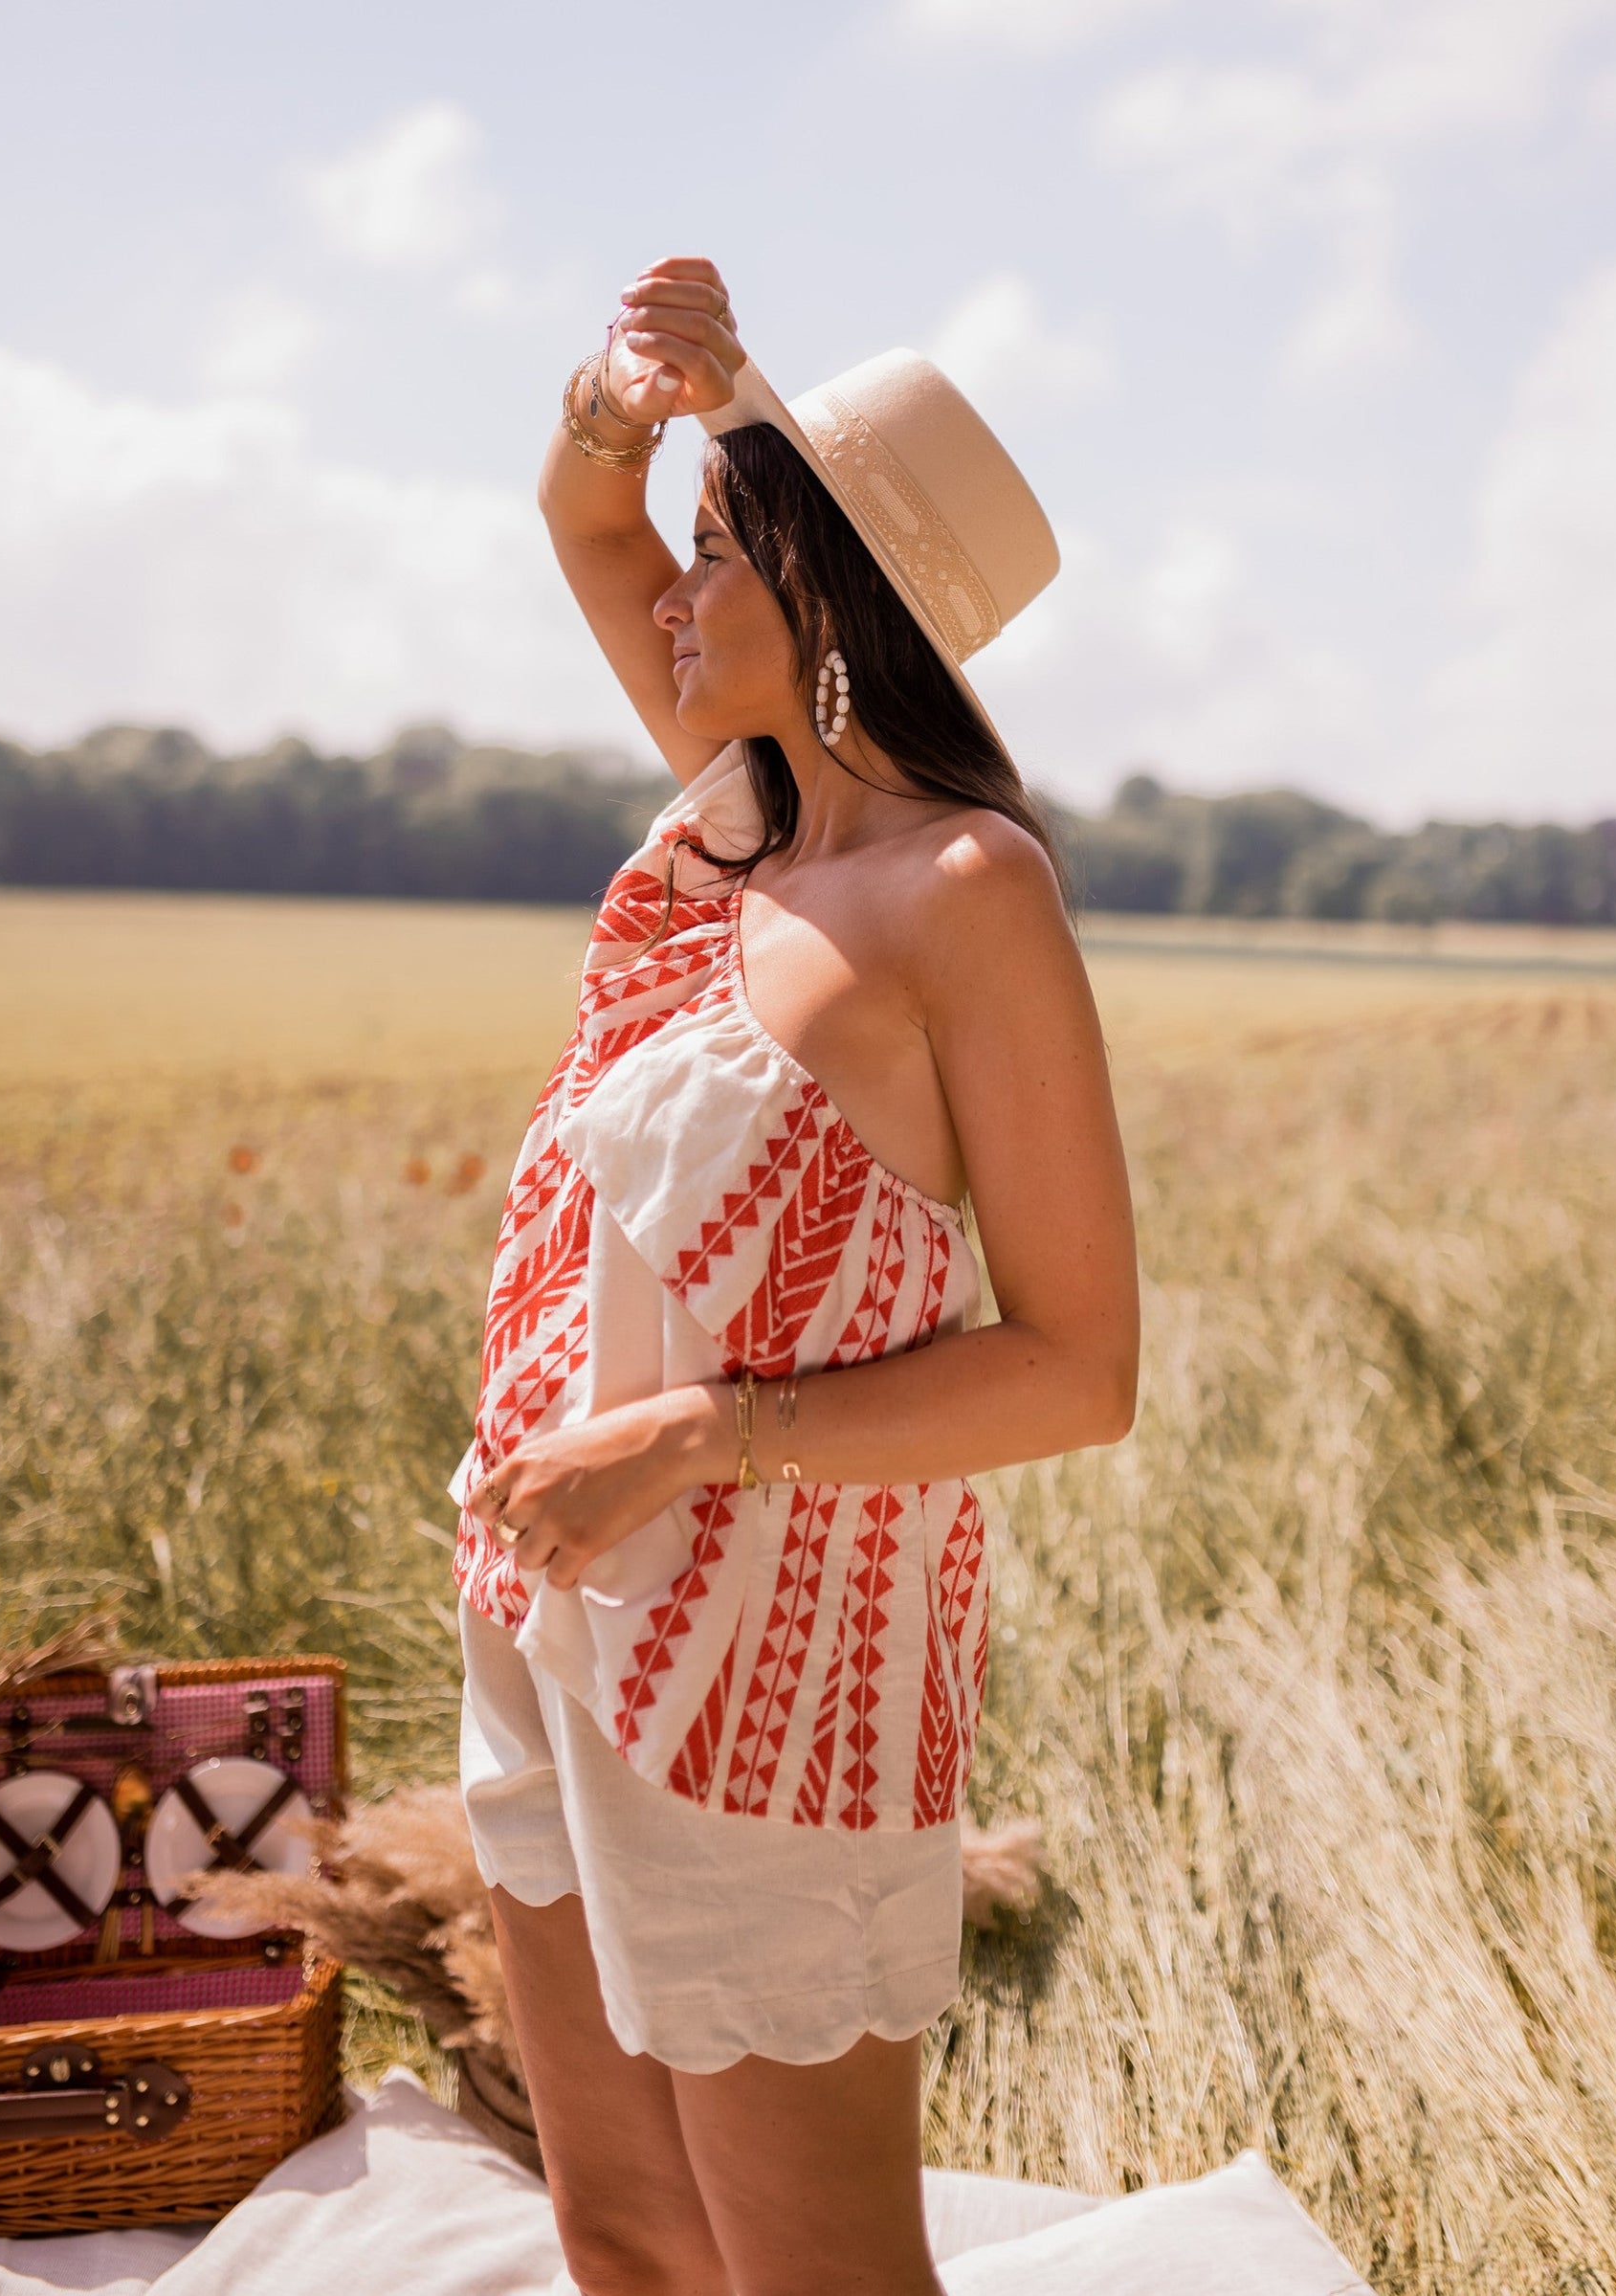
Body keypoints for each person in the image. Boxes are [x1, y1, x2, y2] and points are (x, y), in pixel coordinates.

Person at [446, 256, 1140, 2296]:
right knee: (628, 2238)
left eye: (724, 551)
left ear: (836, 602)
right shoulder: (731, 813)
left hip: (778, 1672)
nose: (671, 589)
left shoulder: (963, 893)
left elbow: (1078, 1370)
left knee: (811, 2270)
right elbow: (586, 512)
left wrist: (689, 1436)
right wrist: (630, 387)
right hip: (546, 1599)